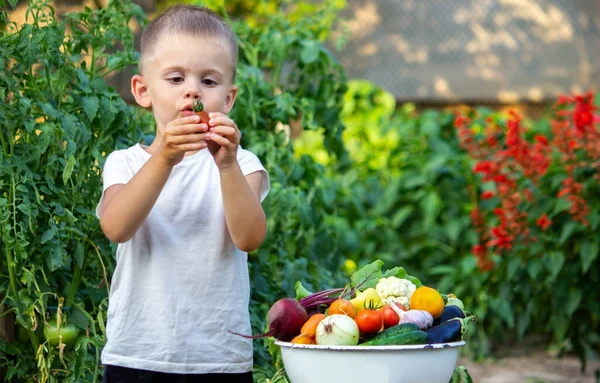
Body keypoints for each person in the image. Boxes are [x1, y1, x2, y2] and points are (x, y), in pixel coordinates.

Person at [96, 4, 269, 383]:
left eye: (209, 82)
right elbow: (115, 227)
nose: (193, 90)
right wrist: (165, 159)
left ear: (228, 99)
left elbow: (249, 237)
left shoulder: (241, 164)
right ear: (143, 91)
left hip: (218, 357)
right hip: (139, 352)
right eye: (176, 79)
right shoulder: (125, 163)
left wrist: (226, 165)